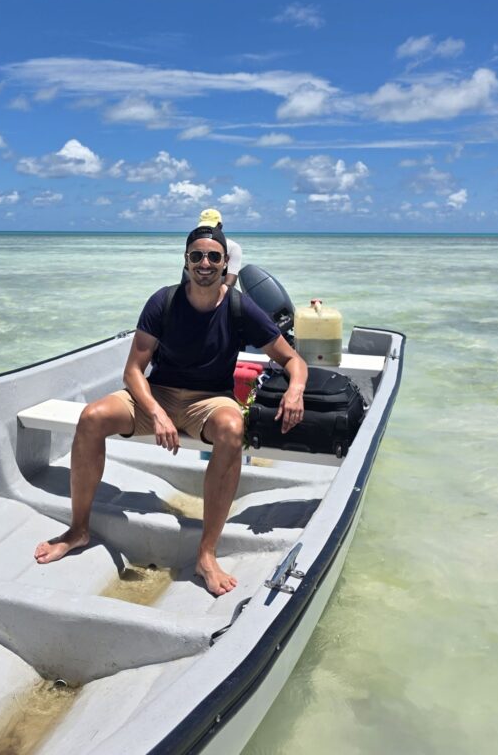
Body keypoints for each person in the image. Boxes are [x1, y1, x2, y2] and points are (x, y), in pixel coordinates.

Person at [34, 225, 308, 596]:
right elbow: (132, 371)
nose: (205, 263)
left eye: (213, 256)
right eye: (197, 256)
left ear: (226, 262)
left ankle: (206, 554)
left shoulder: (240, 307)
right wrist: (157, 413)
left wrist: (296, 389)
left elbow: (292, 359)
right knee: (92, 417)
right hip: (158, 394)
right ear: (186, 261)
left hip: (209, 400)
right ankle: (78, 529)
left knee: (231, 428)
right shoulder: (163, 301)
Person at [197, 208, 242, 287]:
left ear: (220, 226)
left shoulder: (233, 247)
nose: (208, 230)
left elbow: (230, 282)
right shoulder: (195, 246)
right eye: (204, 227)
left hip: (228, 294)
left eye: (211, 227)